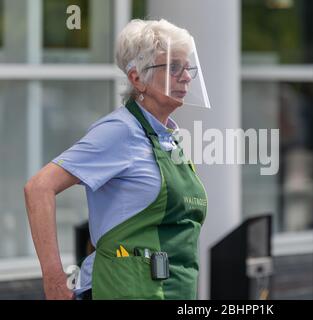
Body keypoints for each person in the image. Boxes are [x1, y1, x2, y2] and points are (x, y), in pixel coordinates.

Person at [24, 19, 210, 300]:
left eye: (187, 67)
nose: (185, 77)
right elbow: (39, 188)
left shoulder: (169, 137)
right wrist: (54, 283)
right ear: (137, 78)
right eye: (173, 67)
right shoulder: (120, 130)